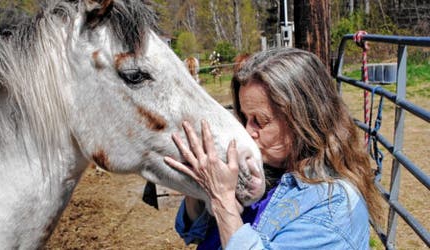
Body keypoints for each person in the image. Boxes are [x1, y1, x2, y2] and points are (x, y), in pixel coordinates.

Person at [163, 48, 382, 249]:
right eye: (244, 118)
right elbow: (193, 232)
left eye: (259, 120)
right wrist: (197, 182)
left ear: (302, 119)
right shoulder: (271, 168)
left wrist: (222, 200)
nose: (248, 132)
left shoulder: (334, 208)